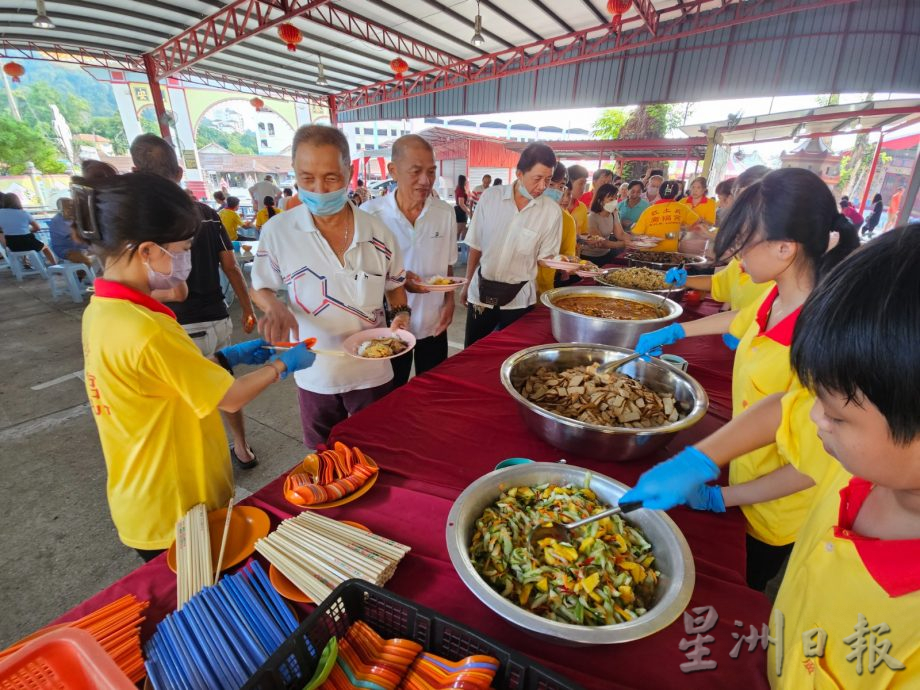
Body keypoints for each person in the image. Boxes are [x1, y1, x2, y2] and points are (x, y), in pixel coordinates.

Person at [622, 226, 920, 688]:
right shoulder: (866, 471)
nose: (816, 417)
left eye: (838, 416)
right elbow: (788, 406)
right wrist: (698, 459)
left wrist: (724, 497)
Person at [634, 167, 860, 590]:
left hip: (774, 514)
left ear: (784, 248)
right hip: (742, 473)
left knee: (741, 590)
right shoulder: (777, 296)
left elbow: (810, 467)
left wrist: (723, 498)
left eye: (744, 245)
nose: (738, 257)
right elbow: (742, 317)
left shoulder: (820, 343)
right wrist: (677, 329)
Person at [75, 171, 314, 558]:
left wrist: (223, 357)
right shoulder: (146, 328)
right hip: (176, 511)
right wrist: (284, 365)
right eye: (183, 248)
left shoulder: (104, 312)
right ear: (148, 251)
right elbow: (231, 399)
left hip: (145, 498)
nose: (186, 259)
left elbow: (158, 383)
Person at [251, 125, 410, 449]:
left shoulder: (379, 233)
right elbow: (261, 286)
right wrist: (274, 306)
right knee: (322, 459)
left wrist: (402, 315)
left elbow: (395, 288)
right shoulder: (277, 231)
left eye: (331, 178)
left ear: (348, 173)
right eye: (307, 178)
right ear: (294, 173)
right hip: (313, 372)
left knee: (377, 452)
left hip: (372, 373)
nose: (319, 190)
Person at [129, 133, 261, 470]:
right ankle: (242, 448)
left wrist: (280, 364)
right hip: (215, 317)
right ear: (178, 172)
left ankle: (207, 462)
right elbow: (230, 267)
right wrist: (247, 308)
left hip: (180, 324)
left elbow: (175, 292)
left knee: (197, 400)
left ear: (135, 172)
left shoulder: (140, 222)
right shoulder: (205, 212)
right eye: (181, 251)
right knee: (224, 387)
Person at [362, 135, 457, 387]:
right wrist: (401, 282)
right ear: (393, 171)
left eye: (431, 171)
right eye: (415, 171)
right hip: (389, 327)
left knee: (432, 392)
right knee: (390, 395)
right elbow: (363, 276)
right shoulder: (370, 215)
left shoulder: (444, 212)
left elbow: (447, 265)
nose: (425, 181)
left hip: (433, 322)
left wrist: (449, 301)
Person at [460, 143, 561, 347]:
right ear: (519, 173)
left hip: (519, 298)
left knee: (509, 355)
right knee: (473, 352)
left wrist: (565, 262)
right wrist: (466, 283)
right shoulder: (491, 198)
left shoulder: (551, 211)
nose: (543, 186)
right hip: (481, 293)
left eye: (548, 180)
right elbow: (476, 245)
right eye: (537, 178)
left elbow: (545, 258)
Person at [630, 180, 708, 253]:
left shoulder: (649, 211)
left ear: (659, 193)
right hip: (670, 252)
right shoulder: (682, 208)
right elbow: (697, 223)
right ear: (676, 193)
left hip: (648, 253)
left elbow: (637, 232)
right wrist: (676, 234)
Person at [535, 162, 577, 296]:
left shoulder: (567, 220)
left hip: (544, 288)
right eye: (551, 184)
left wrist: (567, 266)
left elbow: (568, 254)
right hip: (517, 288)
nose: (556, 190)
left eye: (561, 186)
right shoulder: (524, 212)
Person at [0, 192, 56, 265]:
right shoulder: (24, 213)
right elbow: (37, 228)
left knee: (19, 241)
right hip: (28, 242)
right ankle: (55, 265)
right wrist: (28, 230)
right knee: (45, 248)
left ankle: (25, 262)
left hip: (12, 245)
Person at [582, 183, 629, 264]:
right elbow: (601, 242)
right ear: (600, 201)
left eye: (616, 198)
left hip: (606, 254)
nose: (614, 202)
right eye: (611, 199)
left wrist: (635, 240)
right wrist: (624, 244)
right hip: (590, 257)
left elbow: (620, 234)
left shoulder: (614, 214)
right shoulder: (591, 217)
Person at [48, 197, 92, 267]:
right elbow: (76, 238)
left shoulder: (72, 218)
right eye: (68, 207)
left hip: (79, 247)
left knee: (106, 252)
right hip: (65, 250)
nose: (71, 208)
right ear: (60, 209)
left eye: (72, 206)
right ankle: (79, 276)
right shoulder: (57, 220)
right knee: (86, 262)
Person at [566, 165, 589, 236]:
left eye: (585, 184)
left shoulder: (582, 207)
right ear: (568, 183)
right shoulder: (557, 205)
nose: (583, 188)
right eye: (581, 183)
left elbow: (584, 233)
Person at [453, 175, 471, 240]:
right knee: (459, 230)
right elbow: (461, 204)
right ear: (463, 180)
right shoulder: (460, 189)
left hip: (461, 210)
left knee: (464, 229)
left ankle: (461, 245)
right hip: (460, 211)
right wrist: (468, 212)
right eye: (466, 180)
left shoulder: (461, 188)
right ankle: (457, 246)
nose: (466, 181)